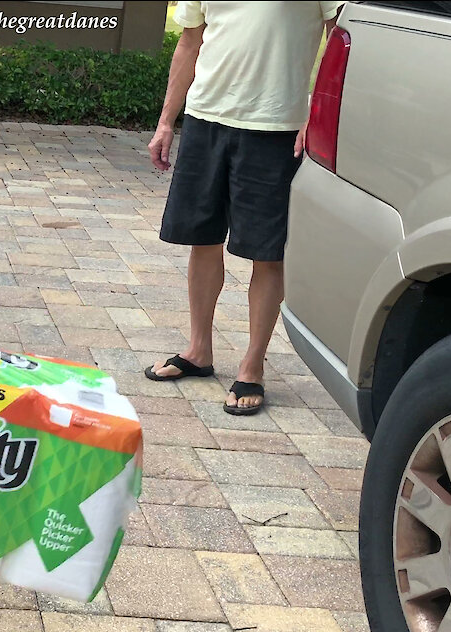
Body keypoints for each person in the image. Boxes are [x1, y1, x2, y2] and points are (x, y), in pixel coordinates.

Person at [143, 1, 342, 416]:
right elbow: (190, 40)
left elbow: (338, 36)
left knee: (266, 252)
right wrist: (166, 122)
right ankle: (199, 351)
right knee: (202, 239)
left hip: (276, 126)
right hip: (206, 117)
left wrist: (317, 113)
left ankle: (252, 366)